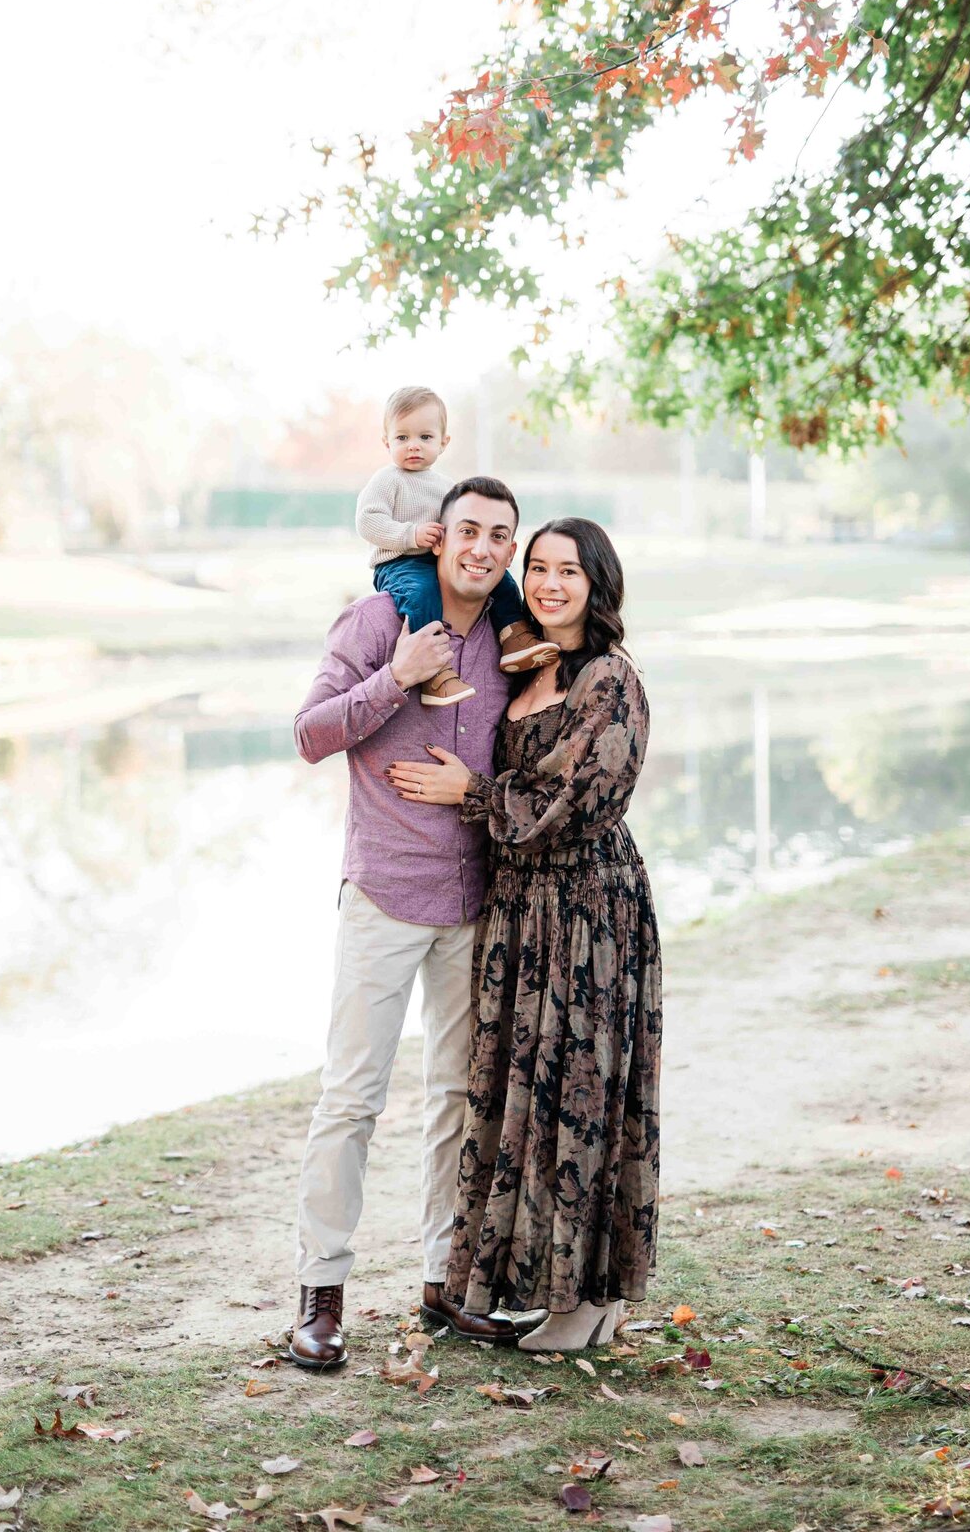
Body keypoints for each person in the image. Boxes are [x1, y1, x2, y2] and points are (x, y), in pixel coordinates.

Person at [287, 477, 546, 1371]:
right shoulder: (377, 623)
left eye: (498, 536)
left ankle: (443, 1282)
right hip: (384, 897)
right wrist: (394, 681)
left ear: (509, 551)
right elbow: (310, 733)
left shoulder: (515, 645)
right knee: (351, 1100)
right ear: (439, 540)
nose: (481, 547)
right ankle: (321, 1293)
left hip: (474, 906)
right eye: (467, 529)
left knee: (454, 1102)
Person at [387, 518, 662, 1352]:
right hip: (518, 912)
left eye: (567, 572)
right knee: (524, 1100)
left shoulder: (611, 679)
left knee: (580, 1094)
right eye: (537, 568)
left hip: (587, 915)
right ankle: (554, 1290)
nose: (548, 584)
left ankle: (586, 1299)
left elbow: (573, 802)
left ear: (598, 583)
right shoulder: (525, 666)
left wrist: (473, 792)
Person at [356, 385, 557, 706]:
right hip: (399, 563)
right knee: (422, 595)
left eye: (425, 437)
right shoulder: (388, 480)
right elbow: (367, 522)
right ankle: (435, 672)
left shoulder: (447, 487)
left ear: (443, 442)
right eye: (402, 438)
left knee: (502, 581)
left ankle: (513, 636)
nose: (413, 447)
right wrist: (410, 535)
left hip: (436, 561)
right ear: (386, 442)